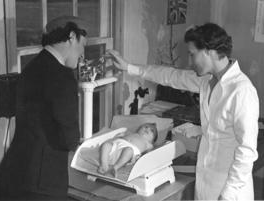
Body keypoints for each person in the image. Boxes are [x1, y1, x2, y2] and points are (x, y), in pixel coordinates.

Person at [108, 23, 259, 200]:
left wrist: (228, 194)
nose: (190, 61)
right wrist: (129, 67)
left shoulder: (241, 91)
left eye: (192, 54)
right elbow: (171, 76)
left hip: (231, 190)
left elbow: (247, 151)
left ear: (209, 51)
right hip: (205, 184)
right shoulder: (207, 81)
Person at [0, 16, 87, 200]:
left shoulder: (31, 67)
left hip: (13, 172)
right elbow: (69, 137)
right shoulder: (63, 76)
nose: (82, 53)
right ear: (71, 37)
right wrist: (81, 144)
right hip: (43, 182)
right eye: (83, 45)